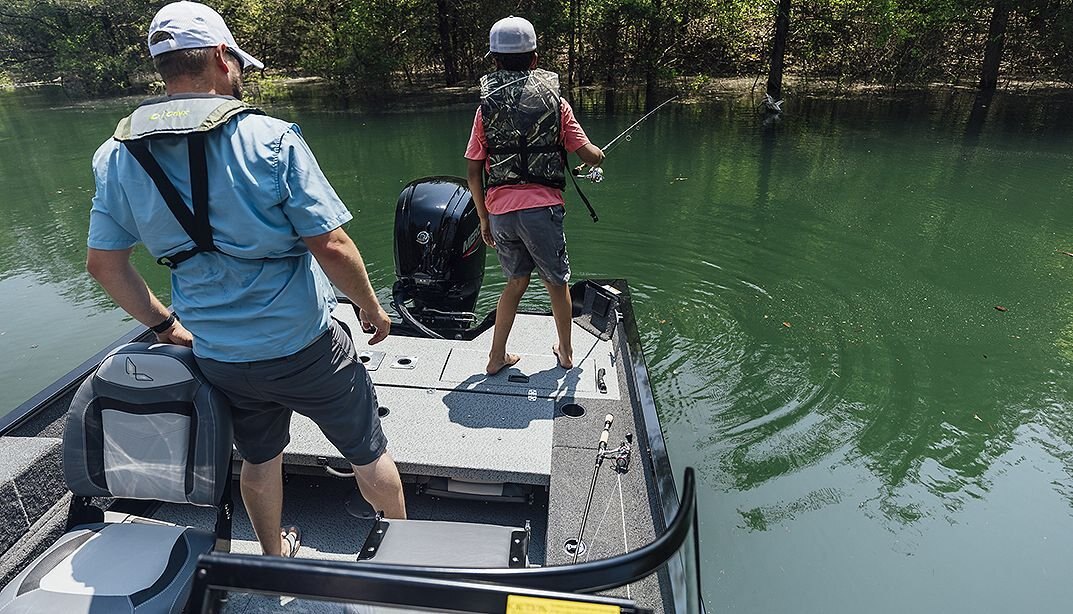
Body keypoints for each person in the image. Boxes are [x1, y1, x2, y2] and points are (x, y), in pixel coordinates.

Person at [85, 1, 406, 558]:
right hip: (306, 347)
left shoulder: (116, 156)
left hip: (220, 356)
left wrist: (165, 326)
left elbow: (104, 266)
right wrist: (373, 311)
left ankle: (274, 558)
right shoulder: (270, 139)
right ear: (220, 58)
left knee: (260, 458)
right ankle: (407, 555)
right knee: (367, 451)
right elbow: (331, 245)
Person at [465, 15, 605, 375]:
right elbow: (586, 153)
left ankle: (496, 357)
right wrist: (598, 155)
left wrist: (483, 217)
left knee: (515, 282)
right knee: (557, 283)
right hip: (541, 211)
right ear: (535, 59)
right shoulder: (556, 105)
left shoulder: (486, 109)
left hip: (500, 213)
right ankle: (566, 351)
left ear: (494, 61)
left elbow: (473, 169)